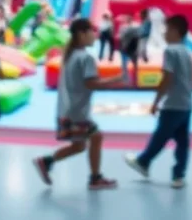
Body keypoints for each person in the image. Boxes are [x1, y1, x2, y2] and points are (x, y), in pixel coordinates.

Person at [33, 18, 124, 190]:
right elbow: (92, 83)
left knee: (79, 145)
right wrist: (117, 79)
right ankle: (95, 178)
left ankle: (46, 162)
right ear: (82, 34)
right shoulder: (85, 58)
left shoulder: (71, 55)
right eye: (92, 32)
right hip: (77, 111)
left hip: (67, 109)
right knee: (96, 136)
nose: (95, 36)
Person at [124, 14, 192, 188]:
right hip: (186, 103)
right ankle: (178, 175)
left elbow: (167, 77)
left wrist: (156, 101)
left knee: (160, 136)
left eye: (167, 29)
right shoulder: (187, 52)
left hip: (173, 103)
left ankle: (144, 161)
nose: (164, 33)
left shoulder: (170, 51)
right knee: (182, 141)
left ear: (177, 31)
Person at [118, 16, 141, 83]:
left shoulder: (135, 26)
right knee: (125, 65)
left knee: (132, 65)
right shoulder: (123, 27)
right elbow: (121, 37)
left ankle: (134, 80)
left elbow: (121, 36)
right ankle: (127, 80)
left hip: (132, 48)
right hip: (126, 48)